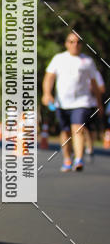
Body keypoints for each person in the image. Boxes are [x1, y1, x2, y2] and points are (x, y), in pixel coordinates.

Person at [42, 31, 102, 172]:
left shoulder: (87, 61)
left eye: (78, 42)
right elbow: (49, 78)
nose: (75, 45)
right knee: (65, 132)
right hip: (62, 102)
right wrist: (46, 93)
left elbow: (94, 84)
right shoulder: (58, 59)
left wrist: (99, 103)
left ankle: (79, 159)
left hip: (82, 102)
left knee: (78, 128)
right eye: (71, 42)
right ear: (66, 44)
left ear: (81, 45)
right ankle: (67, 158)